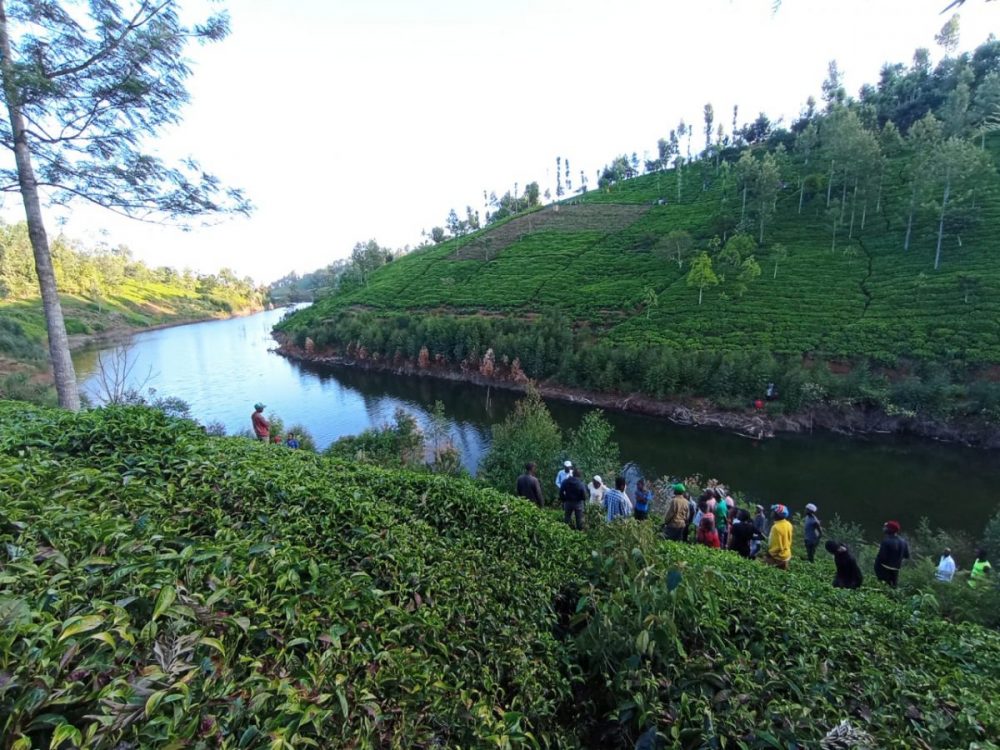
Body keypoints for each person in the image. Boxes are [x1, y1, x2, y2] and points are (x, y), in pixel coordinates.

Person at [874, 520, 910, 588]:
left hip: (884, 568)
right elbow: (906, 556)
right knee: (893, 587)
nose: (884, 528)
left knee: (883, 586)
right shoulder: (903, 542)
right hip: (896, 569)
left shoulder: (886, 541)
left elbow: (882, 557)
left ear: (890, 530)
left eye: (886, 527)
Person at [761, 504, 793, 570]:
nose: (771, 513)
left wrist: (769, 554)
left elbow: (776, 545)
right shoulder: (788, 524)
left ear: (777, 514)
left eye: (773, 511)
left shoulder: (776, 527)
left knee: (763, 568)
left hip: (778, 557)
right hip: (787, 555)